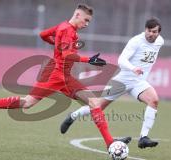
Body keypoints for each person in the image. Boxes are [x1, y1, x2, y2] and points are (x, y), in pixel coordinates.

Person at [0, 4, 130, 151]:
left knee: (94, 103)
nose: (86, 24)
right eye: (86, 20)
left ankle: (110, 143)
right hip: (55, 76)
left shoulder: (63, 26)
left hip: (65, 77)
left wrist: (57, 44)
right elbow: (67, 55)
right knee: (27, 103)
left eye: (89, 21)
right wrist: (89, 59)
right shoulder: (67, 30)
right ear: (77, 15)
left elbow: (43, 34)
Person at [60, 17, 164, 149]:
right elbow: (121, 60)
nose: (151, 34)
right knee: (98, 106)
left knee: (154, 101)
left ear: (158, 32)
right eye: (149, 31)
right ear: (145, 30)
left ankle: (143, 138)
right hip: (123, 80)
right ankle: (73, 115)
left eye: (154, 32)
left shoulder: (160, 41)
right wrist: (133, 68)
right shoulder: (136, 41)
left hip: (139, 82)